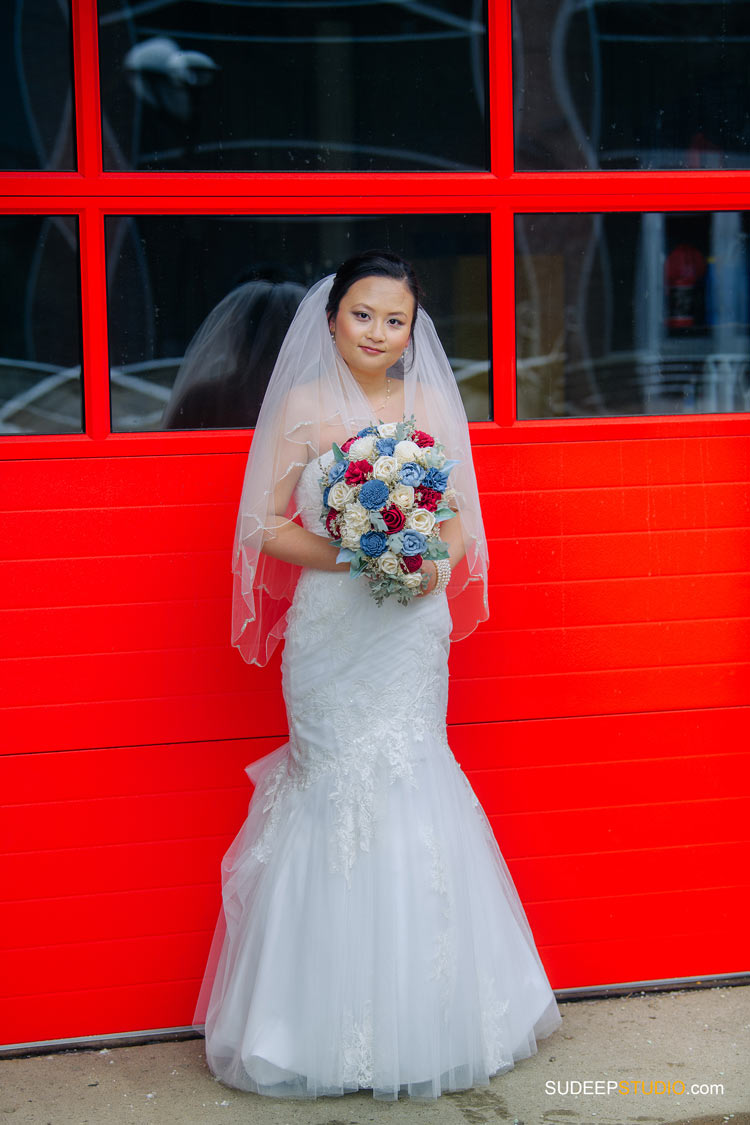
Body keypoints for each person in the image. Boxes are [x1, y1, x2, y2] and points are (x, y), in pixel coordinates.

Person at [194, 250, 561, 1101]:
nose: (379, 333)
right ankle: (304, 1025)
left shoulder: (431, 400)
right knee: (337, 788)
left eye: (395, 320)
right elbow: (262, 525)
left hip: (409, 631)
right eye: (364, 315)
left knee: (414, 776)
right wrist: (356, 553)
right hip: (332, 633)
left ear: (413, 328)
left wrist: (429, 564)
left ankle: (437, 1015)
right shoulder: (303, 405)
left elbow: (460, 515)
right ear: (332, 319)